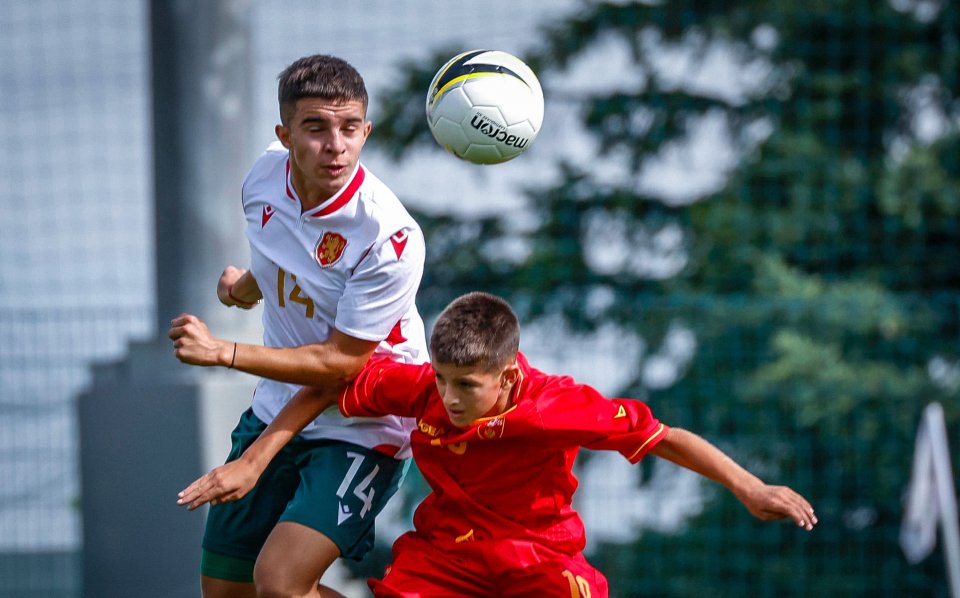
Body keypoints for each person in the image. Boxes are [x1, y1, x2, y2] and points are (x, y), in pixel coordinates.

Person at [179, 292, 818, 597]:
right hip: (445, 558)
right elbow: (332, 376)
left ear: (508, 377)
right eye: (442, 380)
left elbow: (664, 438)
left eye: (467, 386)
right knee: (278, 591)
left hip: (539, 560)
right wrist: (256, 457)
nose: (450, 399)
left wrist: (749, 486)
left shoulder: (559, 405)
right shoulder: (423, 389)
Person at [167, 54, 428, 598]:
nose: (335, 145)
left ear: (366, 130)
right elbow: (285, 252)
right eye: (316, 127)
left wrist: (223, 355)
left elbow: (339, 367)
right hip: (277, 405)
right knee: (225, 593)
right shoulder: (263, 177)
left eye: (349, 127)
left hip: (363, 421)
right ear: (284, 135)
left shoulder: (389, 236)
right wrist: (242, 290)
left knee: (281, 585)